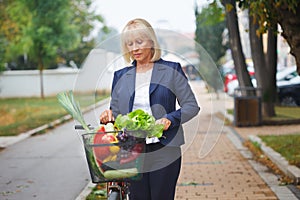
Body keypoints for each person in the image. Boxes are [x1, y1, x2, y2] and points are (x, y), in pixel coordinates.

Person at [100, 18, 200, 200]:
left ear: (152, 42)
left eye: (139, 42)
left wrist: (171, 118)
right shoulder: (120, 76)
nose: (135, 48)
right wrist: (109, 115)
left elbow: (192, 106)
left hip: (165, 148)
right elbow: (115, 112)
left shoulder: (171, 70)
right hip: (132, 150)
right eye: (130, 43)